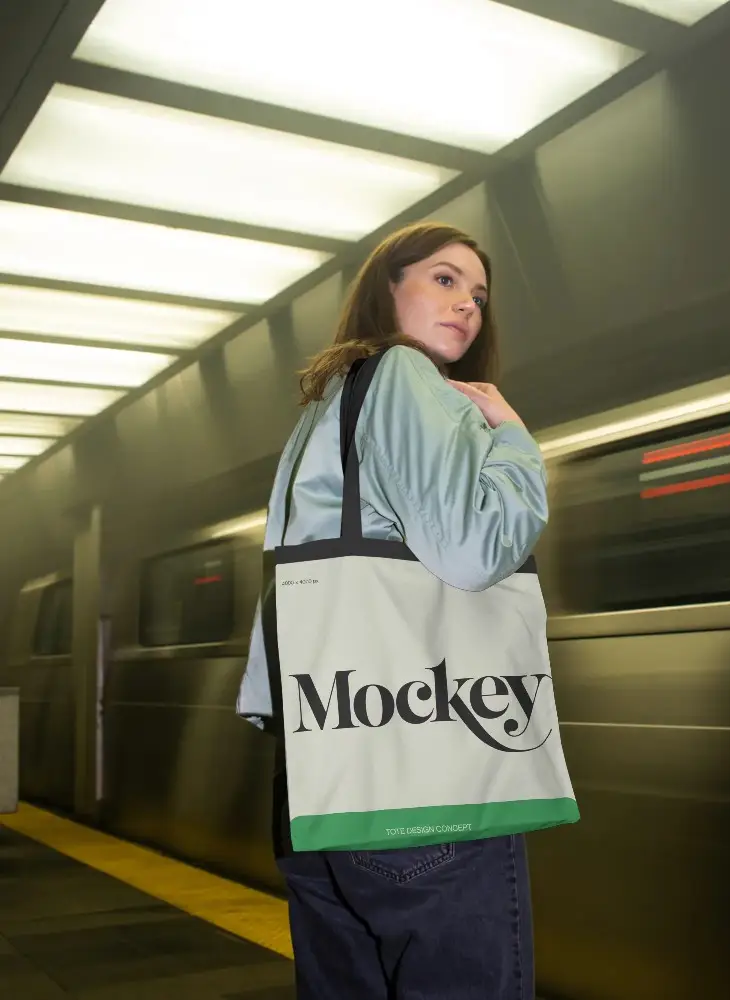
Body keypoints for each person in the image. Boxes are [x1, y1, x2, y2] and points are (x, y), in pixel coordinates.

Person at [240, 221, 549, 998]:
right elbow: (476, 552)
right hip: (423, 776)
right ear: (387, 287)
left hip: (317, 783)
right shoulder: (405, 375)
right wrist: (514, 443)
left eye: (478, 293)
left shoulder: (325, 405)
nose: (469, 305)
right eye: (444, 280)